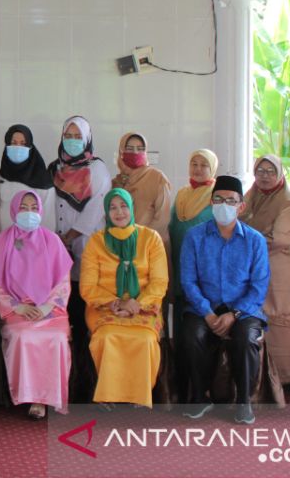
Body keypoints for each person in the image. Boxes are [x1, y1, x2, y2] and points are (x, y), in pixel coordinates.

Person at [177, 175, 270, 425]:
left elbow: (258, 287)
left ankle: (244, 401)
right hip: (202, 306)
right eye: (218, 199)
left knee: (245, 337)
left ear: (241, 206)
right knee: (191, 334)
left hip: (243, 309)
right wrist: (207, 313)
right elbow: (188, 281)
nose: (224, 205)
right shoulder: (194, 237)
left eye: (230, 200)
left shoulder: (255, 240)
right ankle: (199, 396)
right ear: (210, 202)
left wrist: (234, 314)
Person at [80, 188, 168, 410]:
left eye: (123, 206)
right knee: (107, 336)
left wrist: (136, 305)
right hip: (104, 306)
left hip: (144, 306)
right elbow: (88, 287)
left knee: (145, 339)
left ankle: (138, 395)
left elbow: (159, 282)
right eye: (112, 207)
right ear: (106, 213)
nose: (119, 212)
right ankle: (111, 395)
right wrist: (115, 303)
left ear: (131, 208)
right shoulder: (96, 241)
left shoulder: (151, 238)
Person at [0, 189, 73, 418]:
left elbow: (63, 281)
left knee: (55, 339)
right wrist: (17, 307)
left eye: (34, 208)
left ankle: (44, 399)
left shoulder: (52, 240)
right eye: (23, 208)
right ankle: (27, 394)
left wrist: (46, 307)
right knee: (22, 337)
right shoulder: (1, 243)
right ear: (14, 210)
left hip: (50, 309)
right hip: (17, 309)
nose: (29, 213)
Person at [47, 115, 111, 403]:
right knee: (63, 317)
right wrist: (55, 239)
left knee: (86, 320)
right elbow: (48, 204)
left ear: (86, 139)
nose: (72, 139)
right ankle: (63, 384)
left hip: (85, 247)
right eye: (67, 134)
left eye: (77, 135)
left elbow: (96, 209)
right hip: (56, 252)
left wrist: (70, 237)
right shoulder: (53, 169)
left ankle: (86, 386)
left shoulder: (97, 169)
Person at [241, 154, 290, 385]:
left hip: (280, 267)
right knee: (257, 318)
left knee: (281, 320)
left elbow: (279, 239)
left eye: (270, 171)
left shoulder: (287, 202)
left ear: (280, 174)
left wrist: (245, 238)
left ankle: (285, 377)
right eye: (260, 171)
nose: (265, 176)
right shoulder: (251, 196)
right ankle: (260, 375)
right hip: (255, 266)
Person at [167, 147, 219, 395]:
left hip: (205, 272)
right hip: (179, 266)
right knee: (180, 323)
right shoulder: (181, 195)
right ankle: (181, 381)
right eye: (194, 164)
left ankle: (204, 385)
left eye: (203, 165)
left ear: (212, 169)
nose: (198, 169)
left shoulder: (216, 197)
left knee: (200, 325)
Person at [110, 132, 172, 247]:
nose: (135, 152)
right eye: (129, 149)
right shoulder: (116, 183)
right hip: (121, 247)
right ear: (121, 152)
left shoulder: (157, 178)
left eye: (140, 149)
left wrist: (140, 243)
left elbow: (162, 220)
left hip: (150, 248)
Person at [0, 124, 55, 233]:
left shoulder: (43, 181)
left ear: (30, 147)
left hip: (34, 245)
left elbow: (49, 222)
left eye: (23, 144)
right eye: (13, 143)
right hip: (3, 244)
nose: (18, 147)